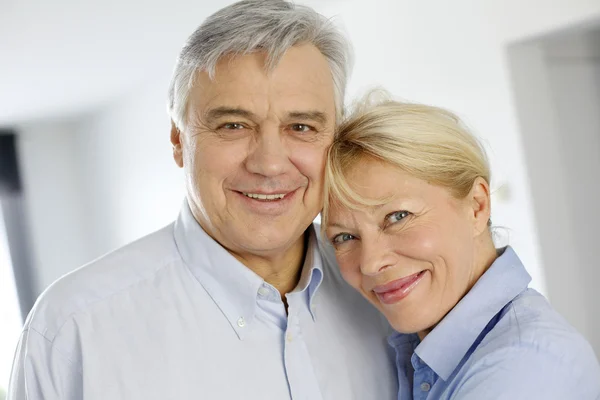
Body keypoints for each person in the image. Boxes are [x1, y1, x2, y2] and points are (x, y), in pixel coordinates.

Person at [7, 2, 398, 399]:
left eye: (301, 126)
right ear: (179, 141)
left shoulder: (390, 288)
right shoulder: (72, 332)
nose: (269, 163)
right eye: (233, 125)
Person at [322, 92, 600, 400]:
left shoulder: (523, 368)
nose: (370, 263)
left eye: (398, 216)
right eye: (344, 237)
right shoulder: (417, 351)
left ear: (477, 207)